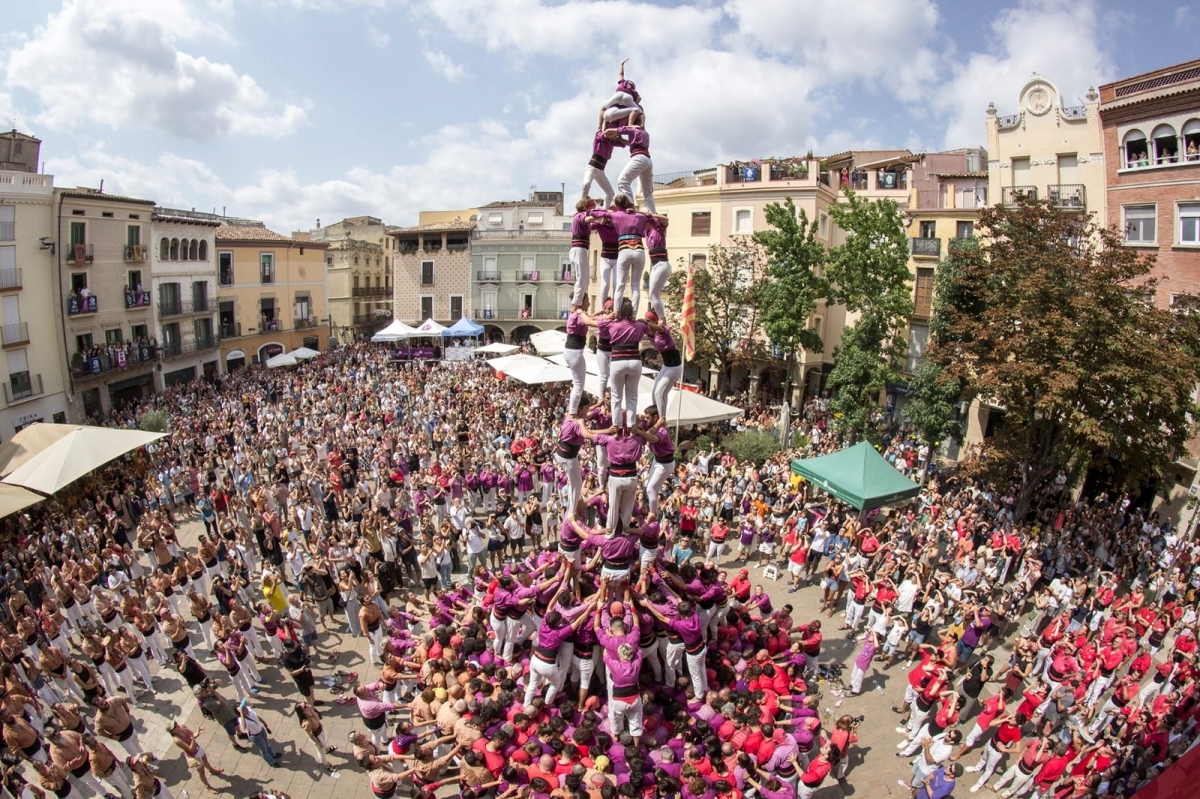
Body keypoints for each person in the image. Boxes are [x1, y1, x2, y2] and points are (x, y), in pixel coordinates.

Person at [598, 296, 650, 428]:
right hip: (635, 360)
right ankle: (632, 426)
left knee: (616, 397)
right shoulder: (640, 325)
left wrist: (608, 316)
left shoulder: (611, 324)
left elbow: (593, 322)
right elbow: (651, 330)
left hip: (617, 361)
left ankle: (617, 426)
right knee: (632, 396)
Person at [605, 121, 656, 213]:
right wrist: (620, 139)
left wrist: (606, 130)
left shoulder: (632, 129)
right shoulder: (644, 133)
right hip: (648, 160)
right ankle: (653, 214)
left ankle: (630, 207)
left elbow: (608, 131)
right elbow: (632, 143)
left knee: (622, 181)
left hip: (639, 158)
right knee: (648, 193)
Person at [237, 700, 282, 767]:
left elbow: (256, 716)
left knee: (266, 744)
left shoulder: (249, 710)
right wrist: (241, 713)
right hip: (255, 736)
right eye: (243, 708)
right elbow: (243, 726)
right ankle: (271, 762)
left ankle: (273, 754)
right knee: (263, 750)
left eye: (244, 706)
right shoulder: (241, 719)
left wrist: (264, 722)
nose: (245, 708)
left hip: (261, 730)